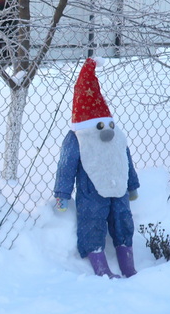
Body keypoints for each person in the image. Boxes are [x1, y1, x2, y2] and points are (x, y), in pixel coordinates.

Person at [53, 57, 140, 278]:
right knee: (92, 222)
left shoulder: (117, 135)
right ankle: (101, 266)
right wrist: (62, 193)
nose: (107, 131)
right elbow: (66, 166)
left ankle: (128, 265)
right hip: (91, 192)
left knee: (123, 221)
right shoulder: (77, 138)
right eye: (100, 125)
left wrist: (132, 185)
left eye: (109, 124)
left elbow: (125, 159)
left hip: (119, 188)